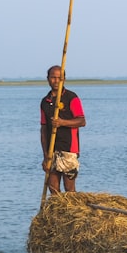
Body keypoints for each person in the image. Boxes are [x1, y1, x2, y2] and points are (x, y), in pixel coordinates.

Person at [40, 65, 86, 194]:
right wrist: (45, 156)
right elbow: (43, 129)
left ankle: (73, 212)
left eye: (59, 78)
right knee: (53, 188)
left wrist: (62, 122)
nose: (56, 81)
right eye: (53, 78)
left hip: (69, 149)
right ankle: (56, 213)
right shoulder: (45, 101)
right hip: (52, 150)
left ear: (64, 79)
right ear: (48, 79)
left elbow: (82, 121)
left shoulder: (71, 98)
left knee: (69, 189)